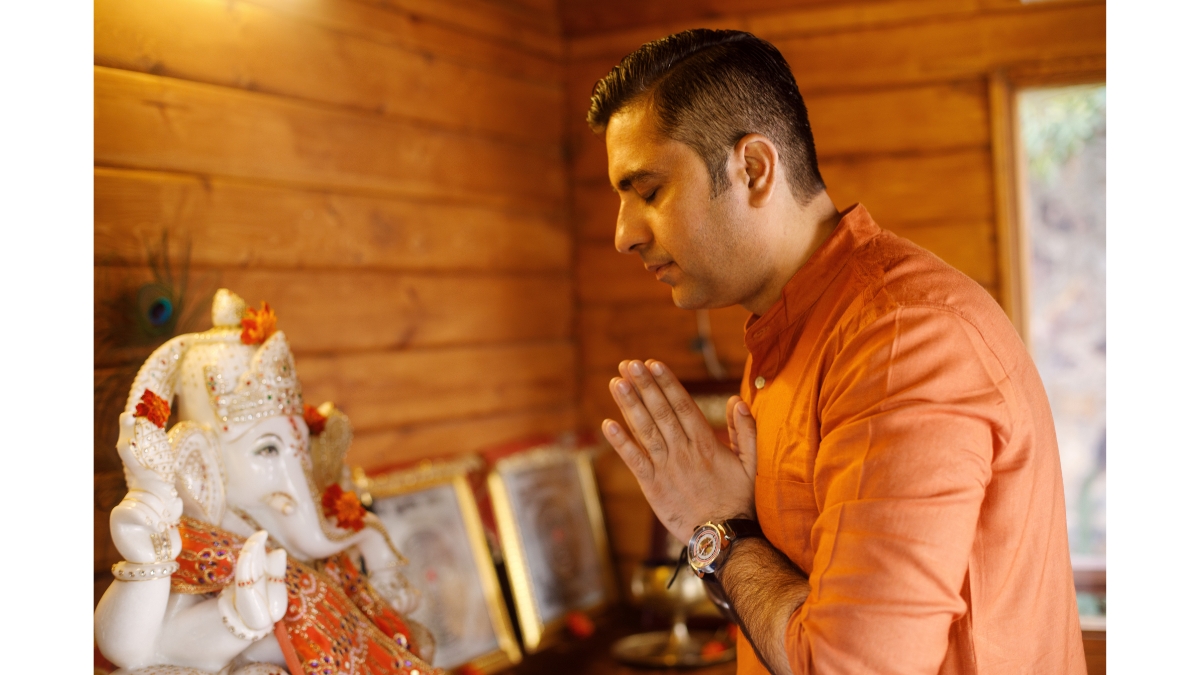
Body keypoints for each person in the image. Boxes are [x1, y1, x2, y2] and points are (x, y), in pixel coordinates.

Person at [589, 29, 1085, 675]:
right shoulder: (793, 329)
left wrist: (719, 530)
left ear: (753, 169)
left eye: (649, 191)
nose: (623, 234)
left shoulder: (901, 338)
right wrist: (739, 529)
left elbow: (849, 666)